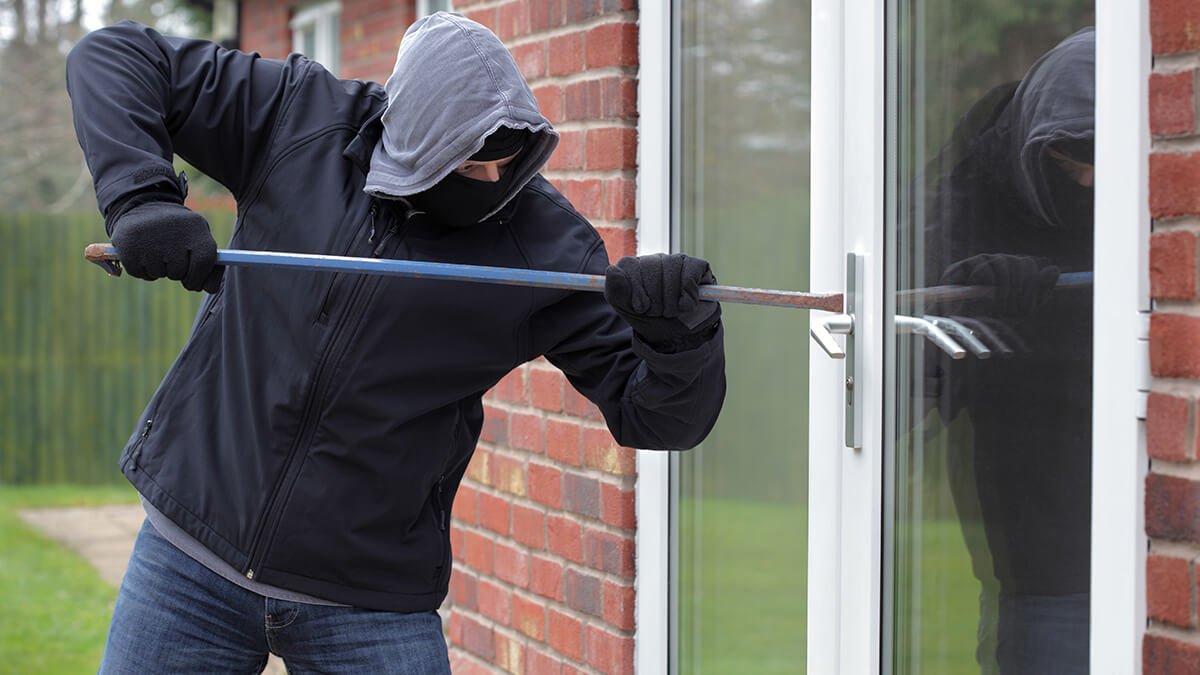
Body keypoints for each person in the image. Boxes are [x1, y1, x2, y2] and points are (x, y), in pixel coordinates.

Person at [66, 12, 726, 673]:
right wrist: (141, 199)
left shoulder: (545, 246)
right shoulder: (301, 119)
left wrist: (680, 336)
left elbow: (658, 417)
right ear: (407, 134)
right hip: (190, 552)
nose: (493, 184)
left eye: (508, 163)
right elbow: (114, 55)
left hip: (368, 596)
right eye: (469, 164)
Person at [914, 27, 1094, 674]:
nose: (1090, 181)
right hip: (1035, 526)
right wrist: (974, 299)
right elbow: (907, 367)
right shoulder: (972, 186)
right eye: (1071, 163)